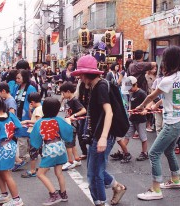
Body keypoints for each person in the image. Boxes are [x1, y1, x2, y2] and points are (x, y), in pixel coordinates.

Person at [71, 55, 126, 206]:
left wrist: (102, 137)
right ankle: (116, 188)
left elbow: (109, 112)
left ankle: (101, 202)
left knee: (95, 174)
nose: (80, 77)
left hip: (103, 136)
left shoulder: (100, 87)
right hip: (99, 135)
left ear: (87, 74)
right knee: (94, 172)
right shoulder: (95, 86)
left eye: (81, 74)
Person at [136, 46, 180, 201]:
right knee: (169, 151)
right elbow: (169, 97)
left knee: (154, 153)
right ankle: (176, 180)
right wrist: (156, 106)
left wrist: (141, 106)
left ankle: (156, 189)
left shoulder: (167, 80)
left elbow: (152, 96)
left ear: (167, 61)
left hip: (171, 123)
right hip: (179, 120)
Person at [30, 97, 73, 205]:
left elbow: (35, 140)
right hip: (60, 148)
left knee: (40, 174)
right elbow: (68, 134)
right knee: (59, 172)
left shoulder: (40, 122)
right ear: (57, 110)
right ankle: (63, 194)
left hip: (49, 149)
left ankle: (54, 194)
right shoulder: (59, 120)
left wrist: (36, 145)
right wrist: (68, 122)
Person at [13, 69, 37, 167]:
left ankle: (28, 156)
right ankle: (23, 157)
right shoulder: (16, 88)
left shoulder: (31, 88)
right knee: (22, 137)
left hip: (29, 115)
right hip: (19, 116)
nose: (17, 80)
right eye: (16, 78)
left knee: (29, 137)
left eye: (19, 78)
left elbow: (35, 101)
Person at [60, 81, 85, 170]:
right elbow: (58, 106)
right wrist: (62, 99)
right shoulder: (68, 100)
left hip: (72, 125)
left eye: (63, 93)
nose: (62, 95)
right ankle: (77, 159)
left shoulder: (74, 100)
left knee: (68, 144)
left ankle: (70, 161)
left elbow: (83, 110)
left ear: (68, 91)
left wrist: (73, 116)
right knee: (72, 143)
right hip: (69, 124)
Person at [21, 92, 43, 178]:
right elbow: (33, 118)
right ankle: (44, 167)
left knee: (33, 153)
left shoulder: (38, 109)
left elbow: (37, 122)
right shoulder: (39, 108)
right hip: (39, 134)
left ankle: (33, 170)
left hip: (35, 134)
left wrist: (27, 121)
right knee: (41, 152)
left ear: (32, 102)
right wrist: (30, 110)